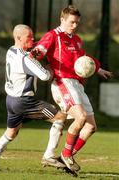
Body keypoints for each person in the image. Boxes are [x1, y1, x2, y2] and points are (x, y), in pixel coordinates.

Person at [31, 5, 113, 172]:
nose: (75, 26)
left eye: (77, 23)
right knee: (80, 117)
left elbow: (84, 60)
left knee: (90, 127)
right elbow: (39, 50)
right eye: (72, 22)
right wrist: (35, 53)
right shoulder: (53, 36)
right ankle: (67, 155)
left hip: (77, 84)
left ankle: (64, 156)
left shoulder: (76, 40)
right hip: (63, 83)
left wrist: (98, 69)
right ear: (62, 19)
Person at [0, 24, 67, 171]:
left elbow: (30, 49)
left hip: (11, 100)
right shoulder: (26, 58)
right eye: (29, 37)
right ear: (19, 38)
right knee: (60, 117)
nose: (33, 39)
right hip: (24, 102)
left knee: (11, 133)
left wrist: (37, 46)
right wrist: (49, 67)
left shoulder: (11, 50)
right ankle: (49, 155)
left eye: (32, 36)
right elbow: (45, 76)